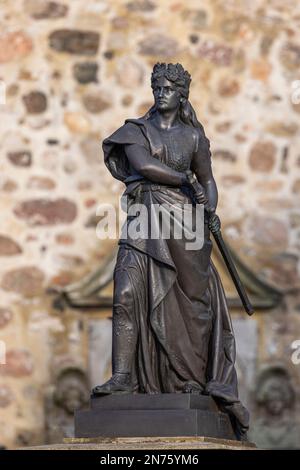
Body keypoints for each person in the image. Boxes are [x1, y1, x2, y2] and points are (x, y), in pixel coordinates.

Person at [92, 62, 249, 440]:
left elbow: (208, 182)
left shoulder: (194, 139)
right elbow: (143, 165)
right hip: (144, 223)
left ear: (181, 94)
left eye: (167, 88)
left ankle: (186, 379)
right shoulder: (135, 132)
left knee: (189, 305)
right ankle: (123, 378)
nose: (160, 93)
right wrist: (184, 180)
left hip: (186, 229)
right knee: (127, 292)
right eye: (156, 87)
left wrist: (209, 208)